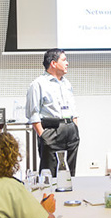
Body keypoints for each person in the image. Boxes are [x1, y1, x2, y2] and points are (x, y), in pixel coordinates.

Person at [26, 48, 79, 176]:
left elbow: (73, 109)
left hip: (70, 130)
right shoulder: (38, 84)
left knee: (69, 172)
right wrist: (43, 136)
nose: (67, 63)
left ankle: (68, 196)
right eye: (64, 60)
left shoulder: (67, 84)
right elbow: (33, 113)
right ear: (53, 63)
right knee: (49, 173)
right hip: (51, 130)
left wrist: (75, 127)